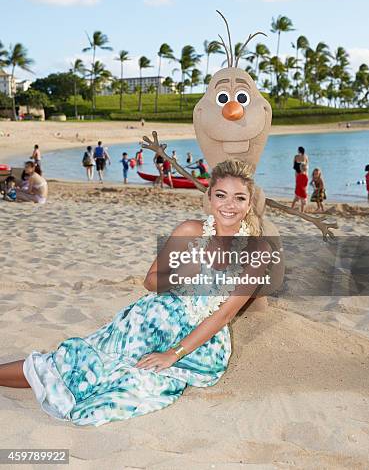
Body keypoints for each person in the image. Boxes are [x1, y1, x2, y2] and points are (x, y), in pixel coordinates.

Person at [0, 160, 271, 427]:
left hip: (195, 345)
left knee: (129, 383)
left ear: (249, 204)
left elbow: (223, 316)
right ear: (210, 196)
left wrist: (173, 355)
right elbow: (150, 281)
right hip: (145, 322)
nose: (229, 205)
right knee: (77, 361)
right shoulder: (189, 230)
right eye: (221, 195)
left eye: (239, 198)